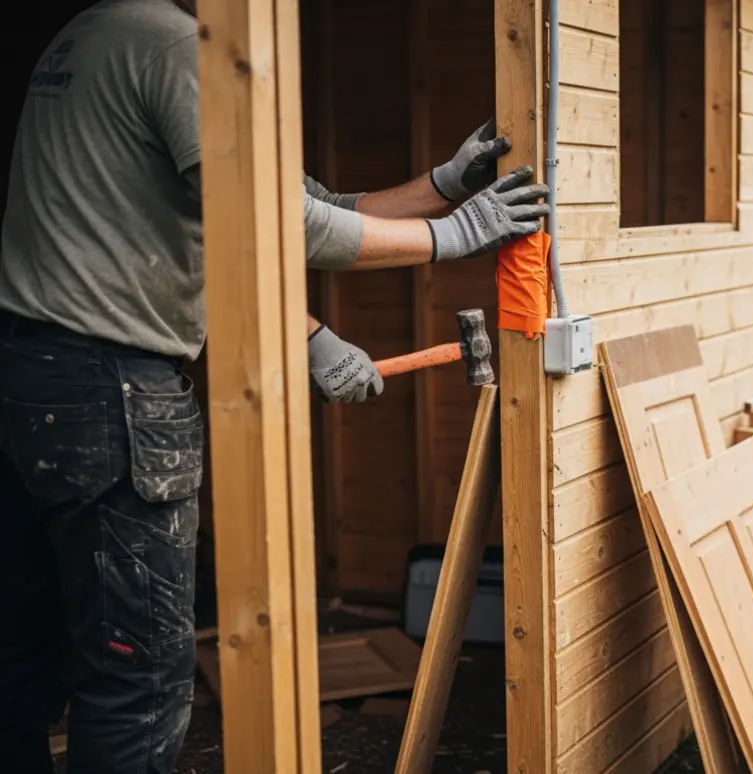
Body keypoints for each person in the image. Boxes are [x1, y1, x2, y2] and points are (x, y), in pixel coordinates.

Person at [0, 1, 547, 772]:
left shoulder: (94, 33)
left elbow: (299, 205)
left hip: (31, 380)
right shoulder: (175, 50)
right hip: (108, 391)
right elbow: (272, 220)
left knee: (23, 659)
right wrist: (444, 239)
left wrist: (444, 186)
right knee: (137, 680)